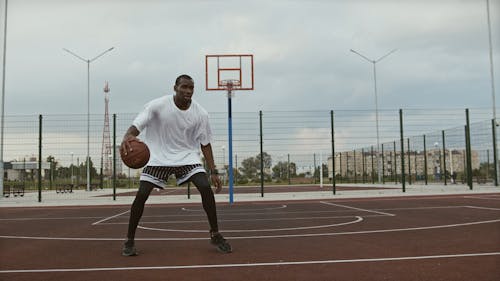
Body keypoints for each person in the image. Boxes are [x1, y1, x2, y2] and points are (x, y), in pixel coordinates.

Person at [120, 74, 232, 256]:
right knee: (141, 195)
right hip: (157, 157)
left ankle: (215, 233)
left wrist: (213, 171)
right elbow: (137, 125)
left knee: (205, 187)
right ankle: (129, 240)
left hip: (186, 157)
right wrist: (127, 136)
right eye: (184, 87)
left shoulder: (201, 113)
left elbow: (205, 143)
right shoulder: (157, 106)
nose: (188, 91)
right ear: (175, 87)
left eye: (191, 88)